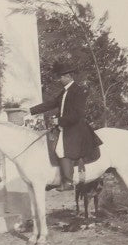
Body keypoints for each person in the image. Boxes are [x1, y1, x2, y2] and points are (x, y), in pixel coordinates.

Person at [29, 61, 103, 191]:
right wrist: (30, 110)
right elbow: (51, 104)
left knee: (61, 149)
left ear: (68, 76)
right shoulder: (64, 92)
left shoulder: (78, 91)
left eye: (61, 77)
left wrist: (59, 121)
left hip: (76, 128)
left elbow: (78, 114)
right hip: (66, 127)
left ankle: (68, 182)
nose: (59, 79)